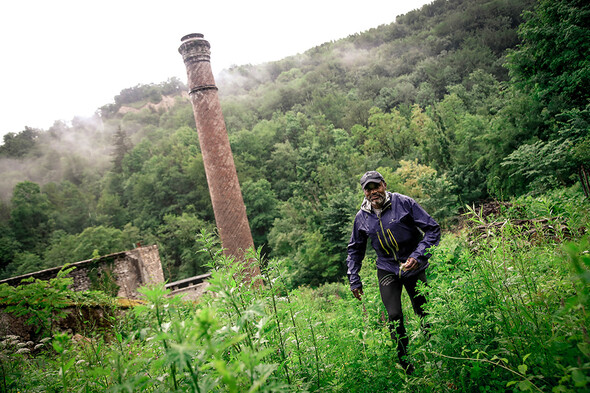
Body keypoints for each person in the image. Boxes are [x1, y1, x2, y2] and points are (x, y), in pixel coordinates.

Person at [346, 170, 441, 374]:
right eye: (368, 189)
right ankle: (406, 364)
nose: (373, 192)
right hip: (387, 268)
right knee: (394, 316)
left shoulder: (404, 203)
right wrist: (354, 279)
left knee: (424, 312)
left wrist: (418, 256)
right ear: (364, 192)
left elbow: (432, 229)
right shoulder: (361, 217)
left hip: (413, 266)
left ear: (384, 185)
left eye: (376, 186)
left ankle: (438, 356)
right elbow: (355, 249)